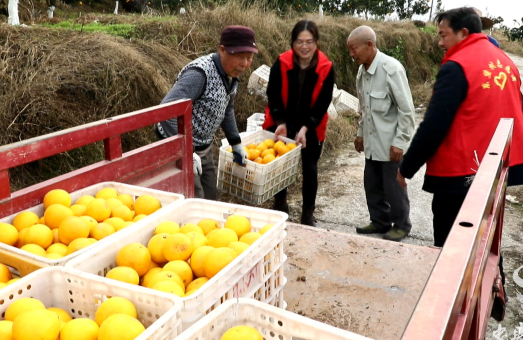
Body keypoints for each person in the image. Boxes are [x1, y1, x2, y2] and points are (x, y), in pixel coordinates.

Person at [397, 7, 523, 248]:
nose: (439, 43)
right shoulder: (505, 61)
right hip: (498, 168)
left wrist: (407, 168)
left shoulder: (458, 66)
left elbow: (434, 125)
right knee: (486, 244)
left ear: (463, 33)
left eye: (443, 35)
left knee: (452, 248)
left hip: (462, 173)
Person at [156, 26, 257, 199]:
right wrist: (186, 150)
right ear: (223, 50)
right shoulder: (199, 74)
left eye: (249, 58)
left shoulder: (231, 74)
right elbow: (166, 112)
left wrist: (236, 143)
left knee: (211, 196)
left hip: (203, 147)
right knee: (195, 199)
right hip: (178, 145)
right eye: (240, 57)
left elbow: (227, 108)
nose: (245, 64)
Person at [262, 20, 335, 226]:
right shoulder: (282, 62)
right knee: (279, 165)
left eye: (309, 42)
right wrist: (280, 122)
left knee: (310, 168)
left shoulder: (326, 67)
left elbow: (323, 102)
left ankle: (307, 214)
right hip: (281, 121)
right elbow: (272, 93)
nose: (305, 46)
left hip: (311, 124)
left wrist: (306, 127)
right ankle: (280, 203)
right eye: (299, 42)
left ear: (316, 42)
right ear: (293, 43)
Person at [347, 26, 416, 242]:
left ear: (369, 45)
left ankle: (402, 225)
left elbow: (406, 110)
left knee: (394, 188)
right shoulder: (362, 71)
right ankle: (379, 221)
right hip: (372, 142)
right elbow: (364, 108)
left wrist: (400, 142)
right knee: (372, 185)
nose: (351, 54)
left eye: (354, 48)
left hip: (390, 144)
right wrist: (360, 134)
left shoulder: (391, 69)